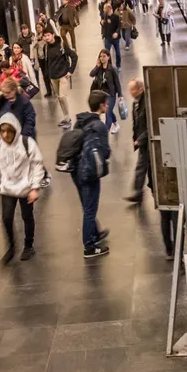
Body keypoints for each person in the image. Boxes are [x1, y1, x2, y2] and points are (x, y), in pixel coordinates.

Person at [0, 113, 45, 262]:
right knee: (6, 218)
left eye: (9, 131)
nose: (5, 135)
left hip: (25, 188)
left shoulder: (27, 143)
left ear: (15, 130)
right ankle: (11, 247)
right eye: (2, 131)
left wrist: (35, 187)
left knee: (27, 217)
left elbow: (37, 164)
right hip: (7, 188)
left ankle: (28, 246)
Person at [73, 91, 112, 258]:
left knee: (86, 204)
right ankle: (89, 246)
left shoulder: (80, 121)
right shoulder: (100, 127)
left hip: (76, 170)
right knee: (90, 209)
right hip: (89, 172)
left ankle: (95, 233)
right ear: (101, 106)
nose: (108, 105)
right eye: (106, 103)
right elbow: (105, 152)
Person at [39, 30, 77, 127]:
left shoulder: (62, 45)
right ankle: (65, 117)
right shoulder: (46, 47)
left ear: (53, 35)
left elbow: (74, 56)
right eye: (45, 36)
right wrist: (47, 74)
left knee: (62, 96)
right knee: (59, 98)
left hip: (63, 75)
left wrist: (70, 71)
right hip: (53, 76)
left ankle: (68, 118)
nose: (46, 37)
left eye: (48, 35)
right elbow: (46, 62)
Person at [127, 78, 151, 203]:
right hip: (143, 142)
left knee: (142, 167)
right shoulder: (136, 102)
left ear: (140, 89)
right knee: (143, 168)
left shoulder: (147, 103)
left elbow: (151, 125)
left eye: (132, 89)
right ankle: (139, 192)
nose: (130, 92)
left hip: (147, 142)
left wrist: (140, 139)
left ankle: (139, 193)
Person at [90, 49, 121, 135]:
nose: (102, 58)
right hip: (102, 94)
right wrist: (97, 66)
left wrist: (120, 95)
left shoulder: (112, 69)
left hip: (111, 94)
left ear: (108, 57)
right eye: (100, 56)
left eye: (104, 56)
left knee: (108, 113)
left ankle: (105, 132)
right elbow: (91, 74)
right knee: (109, 110)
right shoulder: (99, 68)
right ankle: (116, 125)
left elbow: (117, 82)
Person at [101, 3, 123, 69]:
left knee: (118, 53)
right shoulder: (104, 16)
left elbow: (119, 26)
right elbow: (104, 26)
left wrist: (116, 33)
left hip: (115, 38)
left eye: (105, 8)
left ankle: (118, 65)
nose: (104, 10)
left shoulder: (116, 17)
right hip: (107, 37)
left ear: (109, 8)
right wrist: (101, 23)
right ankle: (109, 66)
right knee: (107, 54)